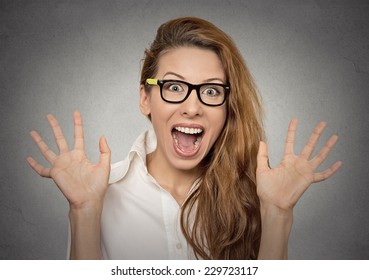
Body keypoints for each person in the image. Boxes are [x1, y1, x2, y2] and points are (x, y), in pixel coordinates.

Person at [27, 17, 342, 260]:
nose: (192, 108)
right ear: (146, 99)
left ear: (228, 106)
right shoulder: (97, 193)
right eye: (174, 87)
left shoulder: (255, 198)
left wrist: (277, 213)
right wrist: (83, 210)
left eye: (210, 91)